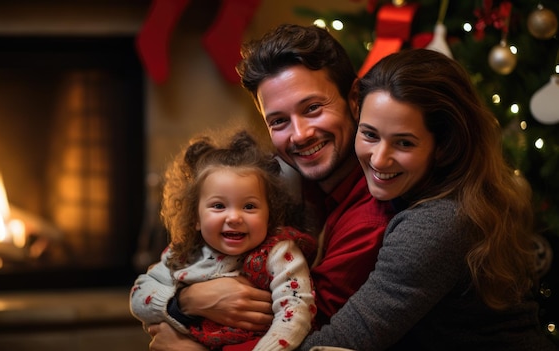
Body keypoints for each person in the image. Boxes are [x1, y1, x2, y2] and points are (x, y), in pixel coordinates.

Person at [144, 23, 394, 351]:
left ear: (354, 99)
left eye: (313, 109)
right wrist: (184, 302)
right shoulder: (294, 188)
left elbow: (311, 329)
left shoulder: (370, 216)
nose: (300, 134)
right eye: (278, 121)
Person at [298, 48, 557, 350]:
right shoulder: (448, 190)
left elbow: (334, 345)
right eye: (369, 134)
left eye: (404, 143)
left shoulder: (437, 224)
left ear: (444, 146)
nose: (379, 160)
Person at [130, 130, 318, 351]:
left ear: (269, 215)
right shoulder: (184, 253)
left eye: (249, 206)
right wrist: (177, 303)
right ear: (195, 218)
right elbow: (139, 296)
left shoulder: (280, 254)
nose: (234, 217)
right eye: (218, 206)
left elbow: (296, 312)